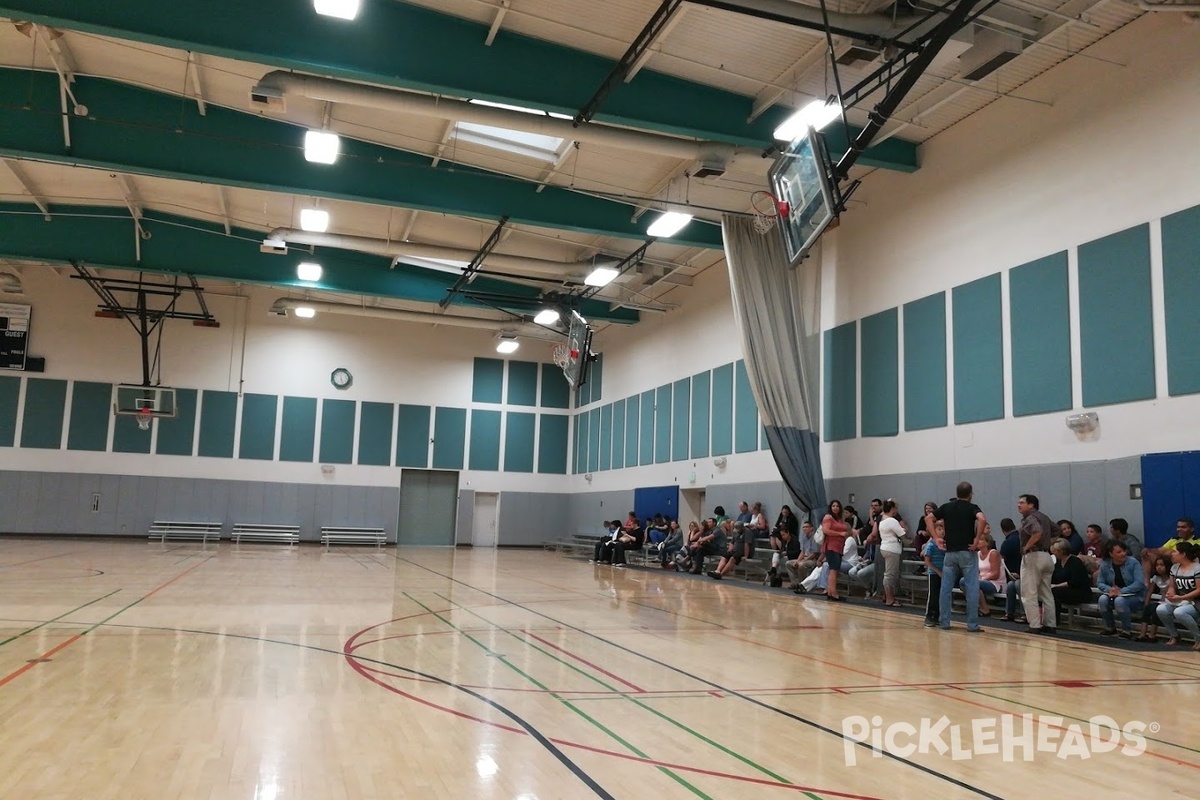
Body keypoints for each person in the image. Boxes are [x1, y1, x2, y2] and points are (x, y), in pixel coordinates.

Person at [928, 482, 985, 632]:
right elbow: (982, 519)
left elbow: (929, 518)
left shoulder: (947, 507)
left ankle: (944, 622)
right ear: (970, 494)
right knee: (972, 588)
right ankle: (972, 625)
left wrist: (935, 537)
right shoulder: (972, 508)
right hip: (967, 552)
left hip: (950, 553)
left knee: (945, 589)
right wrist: (977, 539)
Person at [1017, 494, 1057, 635]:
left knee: (1029, 593)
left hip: (1033, 556)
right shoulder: (1044, 517)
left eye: (1022, 502)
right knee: (1046, 592)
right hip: (1046, 556)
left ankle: (1034, 624)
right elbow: (1056, 530)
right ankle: (1050, 624)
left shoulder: (1031, 518)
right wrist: (1047, 544)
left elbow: (1037, 532)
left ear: (1031, 505)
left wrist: (1027, 546)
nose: (1018, 505)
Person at [1097, 540, 1146, 638]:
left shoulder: (1133, 563)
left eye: (1124, 551)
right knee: (1102, 599)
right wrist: (1109, 590)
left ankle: (1126, 630)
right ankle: (1110, 627)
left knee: (1119, 601)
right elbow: (1100, 582)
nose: (1123, 554)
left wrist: (1121, 591)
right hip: (1114, 593)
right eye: (1119, 552)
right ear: (1111, 554)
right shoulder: (1105, 564)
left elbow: (1139, 583)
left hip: (1135, 596)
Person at [1156, 541, 1200, 648]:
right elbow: (1172, 586)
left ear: (1183, 554)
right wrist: (1171, 593)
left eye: (1175, 551)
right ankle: (1174, 635)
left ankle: (1198, 638)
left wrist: (1181, 597)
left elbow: (1199, 590)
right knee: (1161, 609)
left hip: (1196, 602)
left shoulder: (1197, 568)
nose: (1172, 554)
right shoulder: (1174, 568)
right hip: (1181, 600)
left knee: (1179, 612)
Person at [1049, 538, 1092, 620]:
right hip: (1064, 590)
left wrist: (1056, 586)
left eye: (1055, 551)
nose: (1053, 553)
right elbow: (1054, 577)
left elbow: (1075, 581)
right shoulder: (1058, 562)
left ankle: (1054, 620)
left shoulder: (1075, 562)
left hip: (1079, 591)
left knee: (1054, 592)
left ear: (1061, 551)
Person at [968, 528, 1003, 617]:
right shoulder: (977, 554)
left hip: (996, 583)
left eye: (981, 539)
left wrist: (981, 578)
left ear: (987, 542)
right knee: (964, 582)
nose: (978, 541)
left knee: (970, 582)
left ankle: (984, 608)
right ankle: (978, 606)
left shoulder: (993, 553)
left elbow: (995, 574)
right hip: (982, 581)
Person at [1136, 555, 1171, 642]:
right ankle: (1142, 634)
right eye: (1157, 565)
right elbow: (1150, 591)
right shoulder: (1156, 578)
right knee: (1147, 609)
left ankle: (1152, 635)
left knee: (1156, 610)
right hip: (1162, 601)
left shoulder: (1171, 578)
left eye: (1162, 565)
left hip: (1169, 601)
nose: (1159, 567)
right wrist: (1146, 603)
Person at [820, 500, 850, 601]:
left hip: (839, 547)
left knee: (834, 569)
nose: (835, 508)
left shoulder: (840, 519)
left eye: (837, 506)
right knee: (833, 569)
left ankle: (830, 591)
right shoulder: (828, 517)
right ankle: (834, 593)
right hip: (831, 546)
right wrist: (840, 534)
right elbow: (826, 530)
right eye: (833, 506)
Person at [878, 499, 906, 607]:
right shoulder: (892, 521)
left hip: (885, 547)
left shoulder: (882, 520)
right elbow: (902, 534)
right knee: (890, 574)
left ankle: (887, 596)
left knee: (888, 573)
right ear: (892, 509)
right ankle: (889, 598)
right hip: (892, 549)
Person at [923, 522, 947, 628]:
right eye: (939, 529)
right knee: (933, 595)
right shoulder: (931, 545)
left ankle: (937, 617)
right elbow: (927, 561)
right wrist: (937, 571)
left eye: (943, 529)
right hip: (933, 573)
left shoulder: (945, 545)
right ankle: (929, 616)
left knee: (941, 596)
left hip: (944, 574)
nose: (942, 531)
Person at [788, 520, 822, 592]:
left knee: (801, 565)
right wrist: (798, 560)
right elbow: (802, 551)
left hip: (813, 559)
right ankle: (795, 583)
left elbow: (814, 554)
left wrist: (802, 561)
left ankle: (803, 584)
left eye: (806, 527)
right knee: (788, 563)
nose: (804, 529)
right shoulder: (804, 537)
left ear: (811, 528)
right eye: (803, 527)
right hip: (805, 557)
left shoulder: (815, 538)